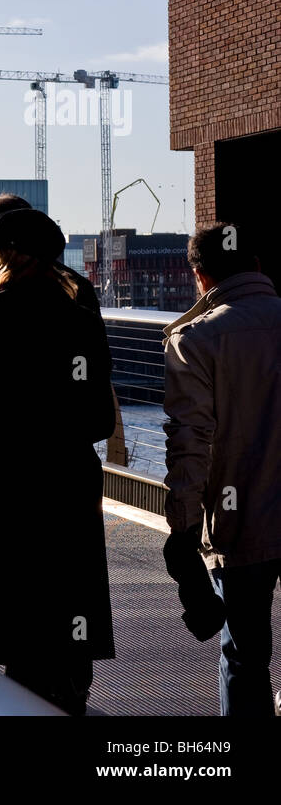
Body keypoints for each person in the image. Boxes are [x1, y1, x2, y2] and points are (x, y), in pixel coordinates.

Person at [0, 207, 115, 715]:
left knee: (12, 615)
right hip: (69, 488)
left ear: (10, 258)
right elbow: (100, 419)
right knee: (63, 612)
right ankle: (64, 696)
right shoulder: (80, 315)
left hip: (7, 488)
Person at [162, 222, 281, 716]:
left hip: (242, 522)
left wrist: (183, 528)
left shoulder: (196, 340)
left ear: (199, 277)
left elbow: (191, 446)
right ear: (256, 266)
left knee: (245, 653)